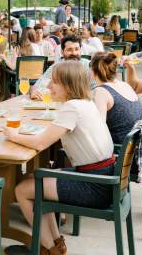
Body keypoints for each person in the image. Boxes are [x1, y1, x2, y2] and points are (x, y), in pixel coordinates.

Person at [9, 60, 114, 255]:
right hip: (105, 177)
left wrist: (13, 135)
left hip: (94, 185)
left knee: (22, 190)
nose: (48, 86)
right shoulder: (85, 103)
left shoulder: (72, 107)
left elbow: (40, 143)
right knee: (34, 179)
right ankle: (55, 245)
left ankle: (48, 249)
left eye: (54, 82)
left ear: (68, 85)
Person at [91, 51, 142, 144]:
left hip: (120, 150)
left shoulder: (101, 92)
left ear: (92, 71)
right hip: (137, 145)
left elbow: (99, 129)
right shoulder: (124, 85)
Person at [31, 34, 93, 100]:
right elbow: (37, 85)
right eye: (70, 50)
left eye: (76, 49)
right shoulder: (57, 66)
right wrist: (34, 91)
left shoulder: (88, 66)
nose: (74, 53)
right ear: (62, 52)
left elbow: (97, 88)